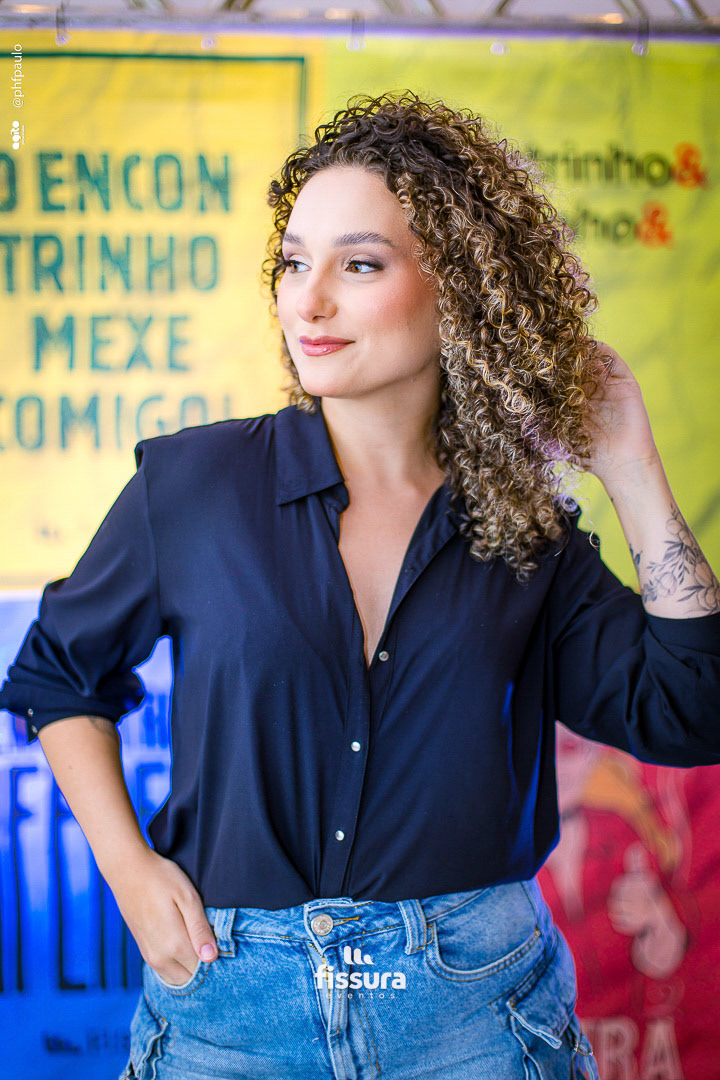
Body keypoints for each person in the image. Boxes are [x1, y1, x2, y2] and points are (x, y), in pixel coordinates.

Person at [1, 89, 719, 1080]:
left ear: (460, 287)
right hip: (228, 1009)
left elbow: (690, 713)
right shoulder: (195, 484)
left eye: (360, 264)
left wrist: (631, 466)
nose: (309, 301)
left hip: (473, 1015)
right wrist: (127, 870)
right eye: (295, 263)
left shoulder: (526, 530)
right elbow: (57, 678)